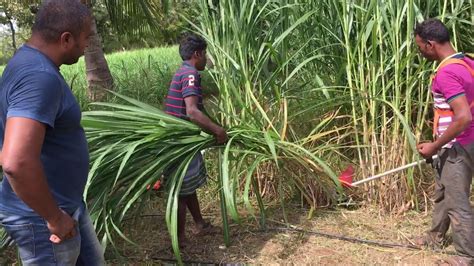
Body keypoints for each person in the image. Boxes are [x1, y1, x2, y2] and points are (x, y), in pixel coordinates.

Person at [0, 0, 105, 265]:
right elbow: (16, 161)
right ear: (66, 39)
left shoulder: (27, 62)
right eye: (85, 39)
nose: (85, 47)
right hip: (44, 220)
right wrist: (54, 218)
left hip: (65, 206)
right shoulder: (39, 76)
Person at [414, 18, 474, 265]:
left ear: (430, 44)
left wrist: (434, 146)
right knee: (443, 191)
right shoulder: (467, 60)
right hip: (462, 141)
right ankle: (435, 237)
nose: (420, 52)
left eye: (420, 47)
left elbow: (462, 117)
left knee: (457, 200)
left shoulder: (447, 72)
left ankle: (466, 255)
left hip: (457, 145)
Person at [164, 33, 227, 246]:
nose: (206, 59)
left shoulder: (183, 71)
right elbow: (192, 112)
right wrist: (218, 131)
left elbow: (197, 109)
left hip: (178, 138)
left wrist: (213, 125)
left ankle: (199, 223)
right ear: (197, 54)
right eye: (205, 54)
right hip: (178, 141)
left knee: (187, 186)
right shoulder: (190, 74)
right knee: (182, 190)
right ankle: (179, 239)